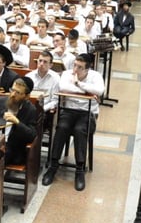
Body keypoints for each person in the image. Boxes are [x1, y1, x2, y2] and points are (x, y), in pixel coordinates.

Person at [43, 53, 104, 191]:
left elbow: (99, 91)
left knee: (79, 130)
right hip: (69, 111)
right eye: (75, 65)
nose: (75, 69)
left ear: (88, 68)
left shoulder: (96, 76)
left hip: (88, 113)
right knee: (62, 126)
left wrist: (78, 83)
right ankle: (53, 165)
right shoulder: (66, 74)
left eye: (80, 67)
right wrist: (86, 92)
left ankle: (79, 169)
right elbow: (63, 87)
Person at [0, 76, 38, 167]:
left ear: (26, 96)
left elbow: (32, 136)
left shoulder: (30, 110)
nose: (12, 95)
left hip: (12, 148)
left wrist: (17, 122)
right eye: (12, 90)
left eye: (18, 93)